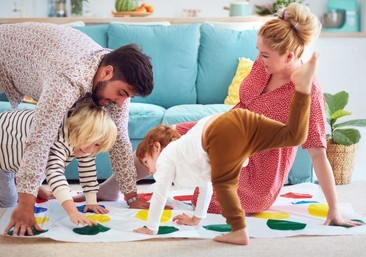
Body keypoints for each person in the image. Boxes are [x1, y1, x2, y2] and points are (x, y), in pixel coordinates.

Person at [172, 3, 361, 228]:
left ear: (289, 56)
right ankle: (126, 190)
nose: (258, 59)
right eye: (258, 51)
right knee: (167, 135)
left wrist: (334, 210)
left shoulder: (308, 90)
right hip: (228, 132)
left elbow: (318, 154)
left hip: (259, 173)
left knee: (207, 195)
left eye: (264, 55)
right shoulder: (265, 64)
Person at [133, 53, 319, 245]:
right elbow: (205, 184)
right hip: (241, 120)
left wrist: (151, 227)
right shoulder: (191, 159)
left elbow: (160, 194)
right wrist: (197, 218)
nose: (149, 170)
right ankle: (303, 90)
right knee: (293, 136)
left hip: (223, 131)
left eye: (147, 162)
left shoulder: (167, 157)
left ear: (156, 148)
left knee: (224, 183)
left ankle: (238, 230)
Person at [0, 22, 153, 236]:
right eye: (121, 93)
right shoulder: (67, 80)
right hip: (5, 50)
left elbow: (119, 140)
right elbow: (40, 138)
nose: (120, 103)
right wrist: (26, 203)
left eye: (127, 97)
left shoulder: (116, 83)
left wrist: (131, 196)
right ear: (107, 72)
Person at [0, 100, 118, 227]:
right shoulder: (58, 139)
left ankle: (31, 186)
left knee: (42, 162)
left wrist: (91, 202)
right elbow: (55, 173)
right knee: (9, 204)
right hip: (3, 156)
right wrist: (73, 212)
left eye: (97, 145)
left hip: (21, 158)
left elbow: (87, 168)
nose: (91, 150)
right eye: (92, 143)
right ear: (81, 131)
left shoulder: (80, 139)